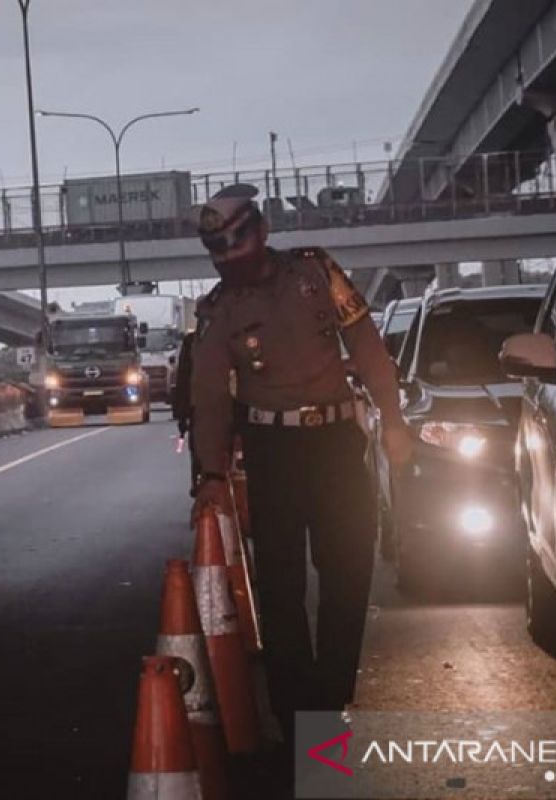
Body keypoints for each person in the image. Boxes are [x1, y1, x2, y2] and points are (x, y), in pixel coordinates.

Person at [188, 184, 414, 729]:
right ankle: (296, 714)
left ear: (262, 232)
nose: (230, 263)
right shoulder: (219, 310)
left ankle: (330, 694)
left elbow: (366, 345)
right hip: (272, 450)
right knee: (282, 585)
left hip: (335, 444)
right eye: (220, 255)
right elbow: (210, 397)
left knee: (349, 569)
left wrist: (394, 422)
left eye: (237, 248)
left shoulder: (317, 273)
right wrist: (212, 475)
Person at [172, 330, 199, 495]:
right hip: (203, 408)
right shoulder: (192, 341)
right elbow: (182, 381)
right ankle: (199, 480)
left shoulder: (194, 341)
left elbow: (182, 380)